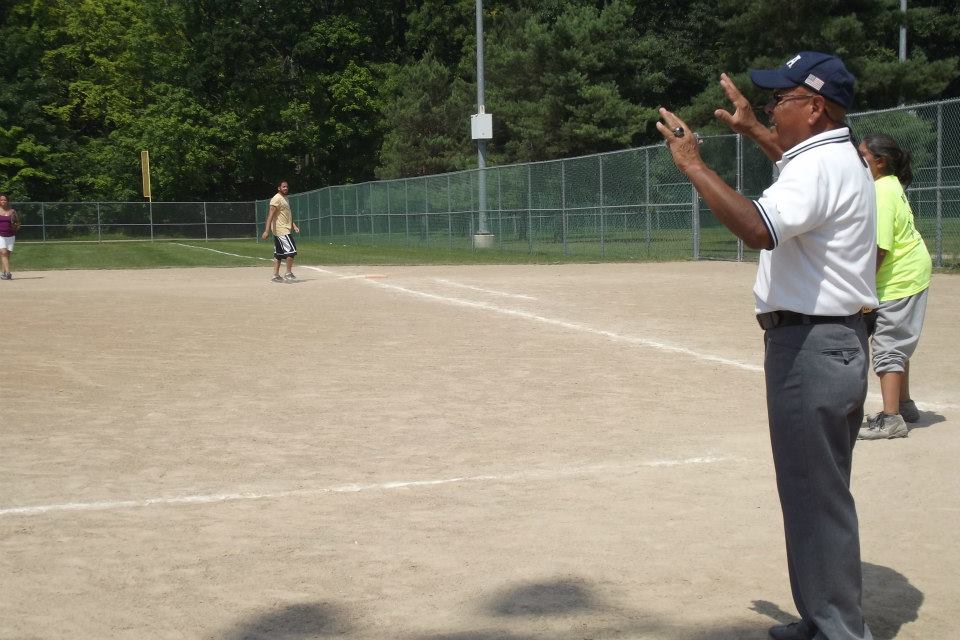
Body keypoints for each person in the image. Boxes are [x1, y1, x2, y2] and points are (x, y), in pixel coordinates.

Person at [656, 52, 877, 640]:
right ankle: (823, 617)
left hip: (811, 345)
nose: (775, 106)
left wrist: (694, 166)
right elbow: (802, 188)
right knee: (813, 493)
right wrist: (755, 129)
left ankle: (840, 631)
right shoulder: (834, 157)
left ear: (816, 107)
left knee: (817, 498)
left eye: (783, 99)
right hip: (832, 341)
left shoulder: (817, 167)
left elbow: (759, 227)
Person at [857, 134, 932, 440]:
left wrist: (862, 287)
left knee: (888, 344)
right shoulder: (888, 186)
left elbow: (880, 247)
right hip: (907, 272)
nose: (857, 160)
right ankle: (904, 403)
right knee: (896, 340)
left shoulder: (881, 192)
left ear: (880, 161)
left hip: (900, 276)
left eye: (863, 155)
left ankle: (892, 420)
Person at [261, 180, 300, 282]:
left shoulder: (285, 199)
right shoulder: (276, 199)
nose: (286, 188)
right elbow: (270, 215)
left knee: (278, 254)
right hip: (281, 229)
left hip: (284, 228)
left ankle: (275, 276)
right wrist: (266, 231)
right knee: (291, 251)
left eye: (287, 186)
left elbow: (286, 215)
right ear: (279, 188)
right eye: (283, 187)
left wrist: (294, 225)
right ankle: (288, 273)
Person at [0, 194, 18, 280]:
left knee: (7, 255)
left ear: (7, 201)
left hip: (10, 235)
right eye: (1, 200)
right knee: (3, 253)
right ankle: (8, 273)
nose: (3, 201)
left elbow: (17, 222)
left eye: (4, 200)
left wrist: (16, 225)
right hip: (0, 235)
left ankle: (3, 273)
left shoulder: (12, 211)